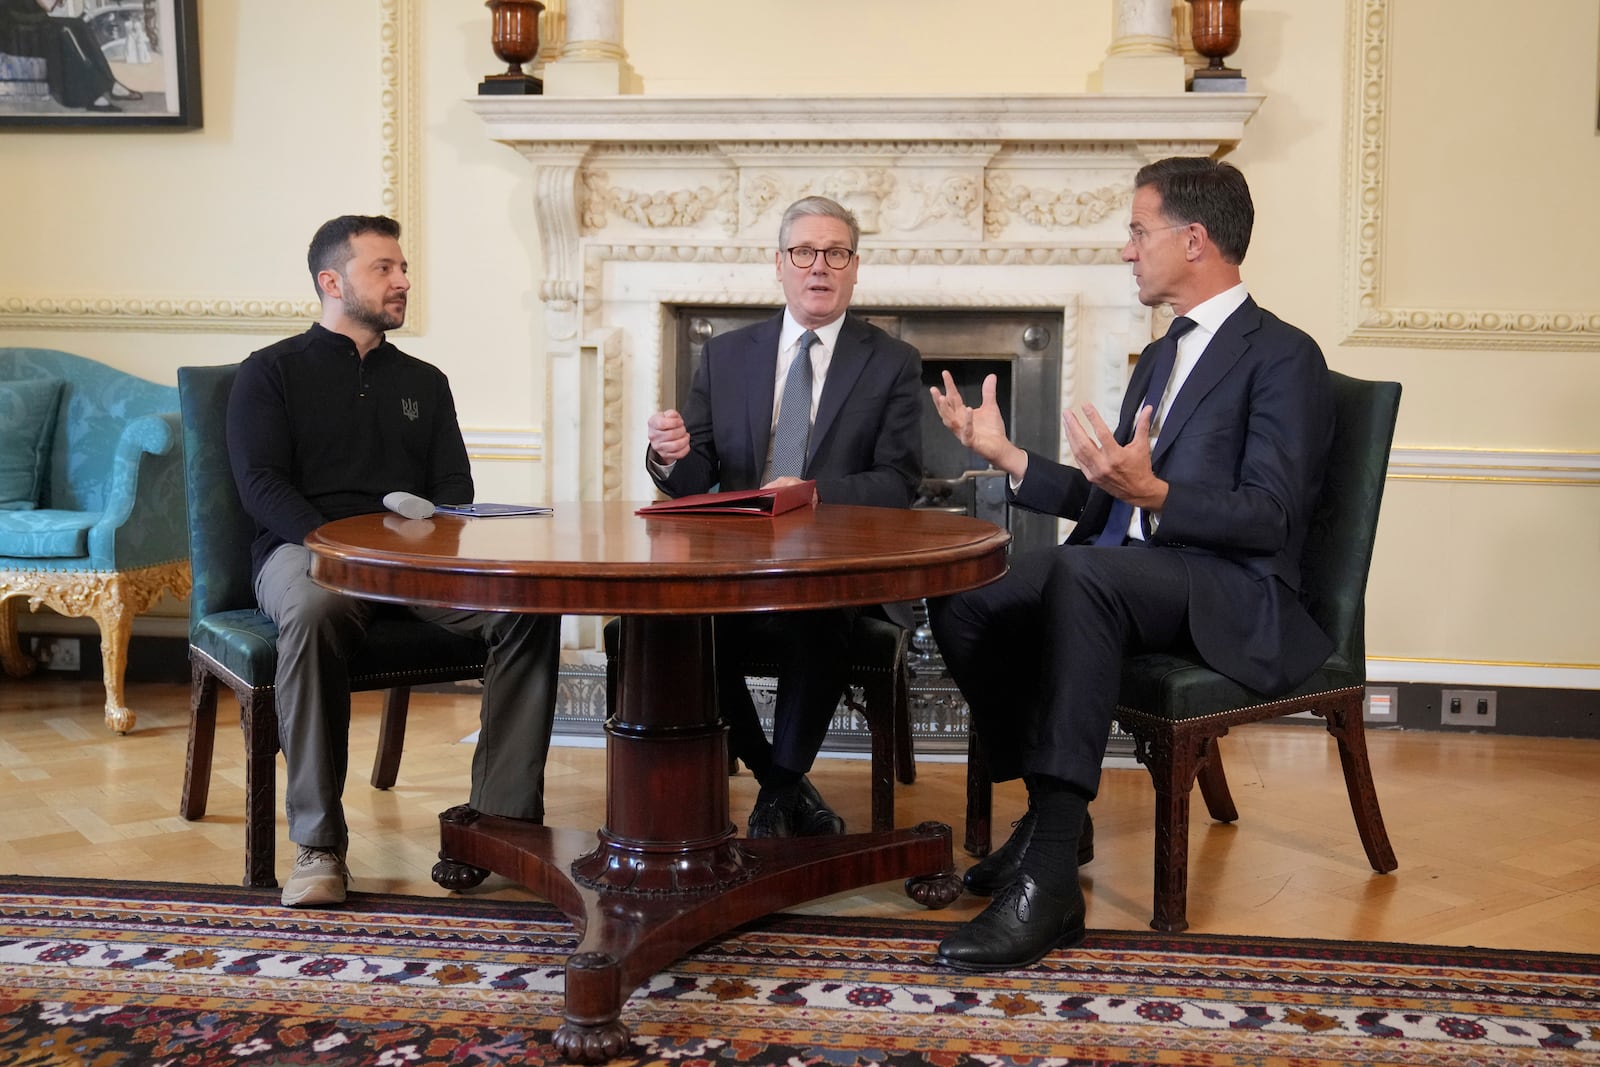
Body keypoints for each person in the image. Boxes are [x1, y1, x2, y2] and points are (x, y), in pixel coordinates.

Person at [927, 157, 1335, 972]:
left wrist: (1156, 491)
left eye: (1137, 231)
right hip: (1131, 572)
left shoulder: (1284, 355)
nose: (1127, 250)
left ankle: (1049, 880)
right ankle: (1059, 821)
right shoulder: (1159, 357)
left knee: (1084, 576)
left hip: (1227, 584)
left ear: (1193, 238)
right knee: (965, 585)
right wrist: (1007, 454)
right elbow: (1110, 497)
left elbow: (1272, 516)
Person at [228, 214, 561, 908]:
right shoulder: (270, 373)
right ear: (332, 280)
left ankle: (499, 828)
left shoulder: (425, 381)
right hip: (304, 553)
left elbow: (454, 492)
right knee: (317, 608)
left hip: (413, 564)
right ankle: (318, 846)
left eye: (403, 267)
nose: (403, 279)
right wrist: (342, 549)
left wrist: (414, 549)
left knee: (527, 608)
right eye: (384, 267)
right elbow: (260, 485)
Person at [643, 195, 923, 838]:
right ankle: (782, 781)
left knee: (816, 616)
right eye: (803, 253)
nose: (818, 267)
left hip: (837, 570)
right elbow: (694, 479)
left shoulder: (891, 361)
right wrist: (668, 455)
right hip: (734, 565)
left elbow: (899, 483)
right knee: (675, 622)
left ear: (855, 268)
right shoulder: (726, 354)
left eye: (835, 254)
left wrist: (812, 493)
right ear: (779, 264)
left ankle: (777, 792)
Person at [0, 0, 143, 112]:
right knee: (64, 31)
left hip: (33, 22)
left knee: (79, 25)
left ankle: (111, 84)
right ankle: (91, 97)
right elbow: (46, 5)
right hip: (16, 31)